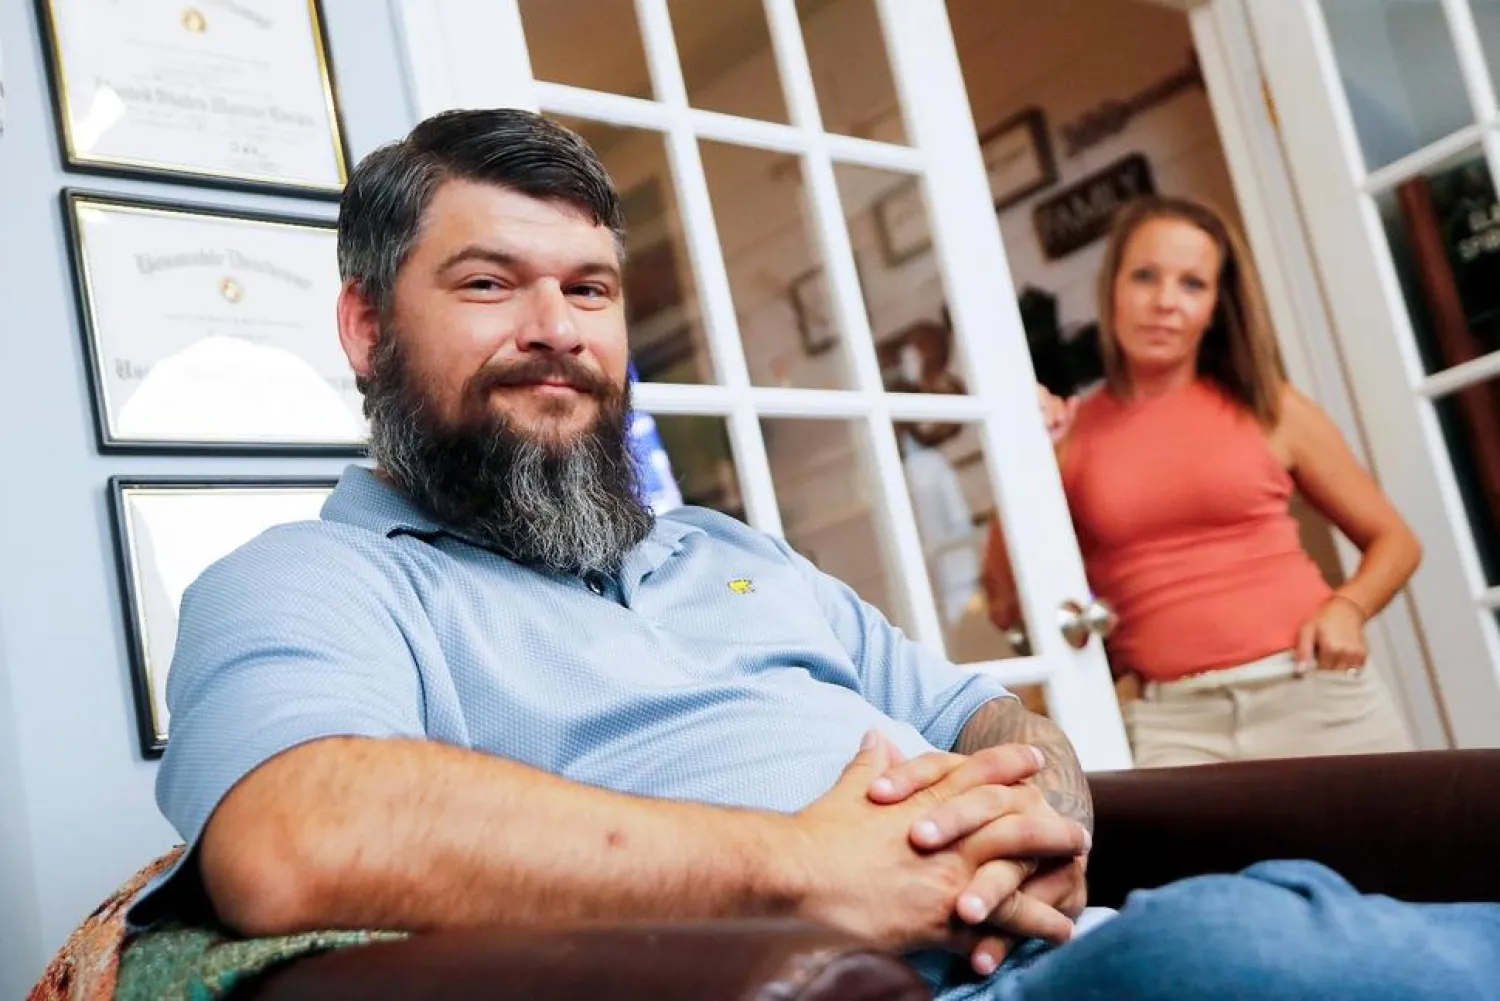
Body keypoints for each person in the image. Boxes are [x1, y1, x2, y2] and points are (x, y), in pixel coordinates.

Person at [140, 111, 1499, 1000]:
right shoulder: (311, 581)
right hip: (910, 986)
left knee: (1289, 913)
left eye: (590, 289)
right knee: (1245, 941)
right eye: (489, 283)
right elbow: (293, 835)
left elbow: (985, 713)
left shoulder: (726, 552)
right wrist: (798, 862)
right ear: (368, 329)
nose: (557, 327)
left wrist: (1041, 820)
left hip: (1071, 940)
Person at [984, 195, 1421, 768]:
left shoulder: (1272, 408)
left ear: (1216, 305)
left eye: (1192, 284)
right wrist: (1030, 458)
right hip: (1173, 726)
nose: (1165, 301)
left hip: (1316, 695)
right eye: (1145, 277)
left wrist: (1349, 607)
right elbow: (1003, 602)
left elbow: (1396, 541)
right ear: (1112, 288)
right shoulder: (1072, 435)